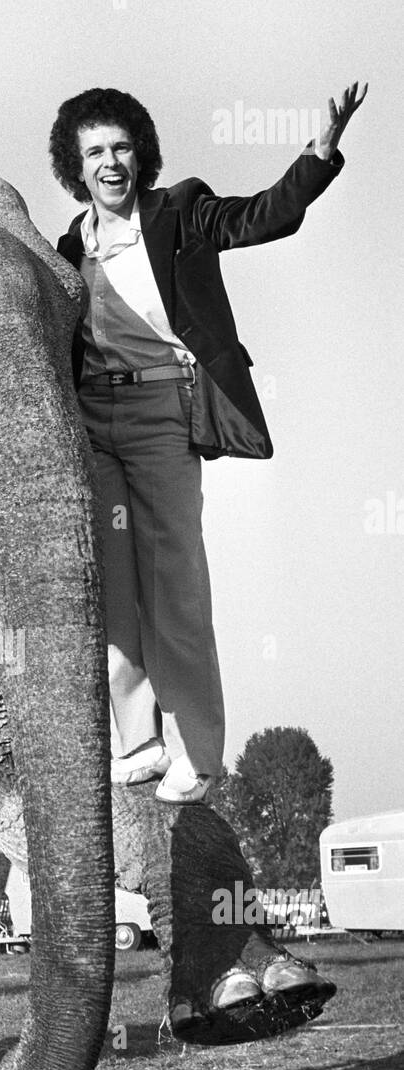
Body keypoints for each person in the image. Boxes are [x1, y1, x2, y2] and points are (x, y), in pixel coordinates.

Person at [50, 83, 366, 803]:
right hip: (93, 417)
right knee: (112, 584)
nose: (111, 161)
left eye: (122, 147)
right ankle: (138, 741)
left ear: (142, 153)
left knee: (176, 581)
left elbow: (263, 217)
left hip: (164, 408)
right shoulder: (71, 245)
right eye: (95, 150)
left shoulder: (181, 212)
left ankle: (198, 749)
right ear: (76, 163)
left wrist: (319, 154)